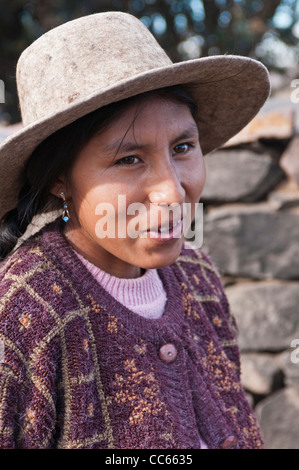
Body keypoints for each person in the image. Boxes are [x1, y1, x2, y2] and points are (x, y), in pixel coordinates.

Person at [0, 11, 270, 449]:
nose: (171, 191)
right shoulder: (25, 317)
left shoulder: (197, 278)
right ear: (58, 178)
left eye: (183, 147)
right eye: (129, 159)